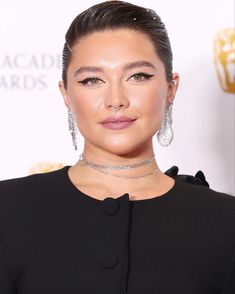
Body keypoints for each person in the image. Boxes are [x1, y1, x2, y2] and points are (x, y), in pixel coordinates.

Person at [0, 1, 234, 293]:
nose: (116, 100)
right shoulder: (7, 209)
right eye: (92, 80)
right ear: (67, 94)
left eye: (138, 76)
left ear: (170, 89)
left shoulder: (225, 222)